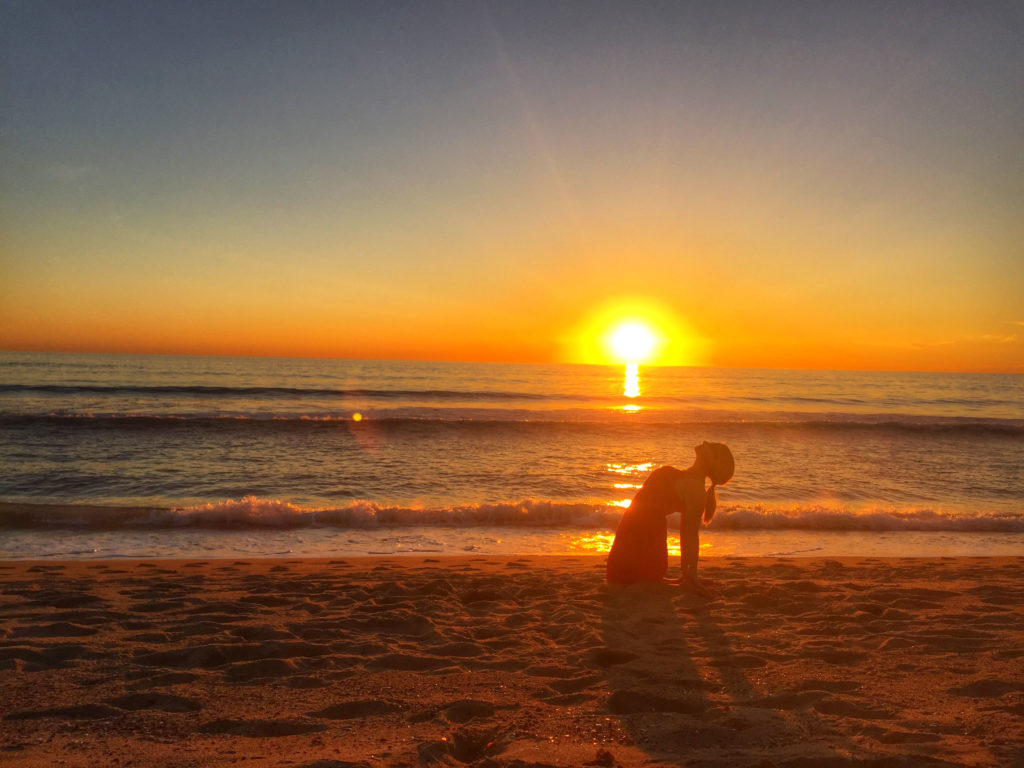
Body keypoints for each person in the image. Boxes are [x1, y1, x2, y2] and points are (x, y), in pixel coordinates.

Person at [606, 441, 734, 595]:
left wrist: (691, 573)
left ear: (711, 460)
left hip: (644, 538)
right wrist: (685, 571)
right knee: (627, 577)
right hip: (631, 534)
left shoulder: (696, 491)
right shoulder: (686, 478)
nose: (705, 442)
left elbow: (690, 534)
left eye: (711, 447)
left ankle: (658, 579)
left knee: (633, 578)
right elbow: (685, 531)